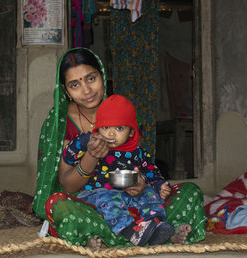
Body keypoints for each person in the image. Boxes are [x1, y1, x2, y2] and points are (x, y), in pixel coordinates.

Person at [32, 48, 206, 248]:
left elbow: (134, 160)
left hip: (131, 197)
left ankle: (140, 231)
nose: (86, 90)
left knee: (189, 191)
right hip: (91, 201)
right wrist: (91, 156)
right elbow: (68, 186)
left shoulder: (121, 109)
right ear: (65, 90)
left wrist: (140, 183)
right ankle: (147, 234)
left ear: (102, 76)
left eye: (91, 79)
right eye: (75, 84)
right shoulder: (60, 122)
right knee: (60, 206)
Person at [62, 94, 180, 246]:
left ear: (131, 132)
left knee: (149, 192)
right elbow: (68, 156)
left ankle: (155, 224)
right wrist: (85, 141)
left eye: (119, 128)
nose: (111, 133)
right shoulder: (93, 144)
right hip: (97, 195)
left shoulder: (137, 152)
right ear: (97, 129)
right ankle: (131, 232)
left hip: (127, 194)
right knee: (109, 200)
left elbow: (151, 172)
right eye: (105, 127)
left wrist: (159, 185)